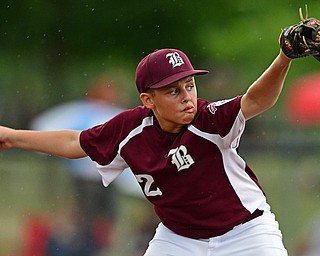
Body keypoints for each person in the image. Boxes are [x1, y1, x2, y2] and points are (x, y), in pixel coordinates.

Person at [0, 37, 294, 255]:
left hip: (245, 232)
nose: (187, 96)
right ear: (148, 100)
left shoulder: (210, 119)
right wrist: (12, 136)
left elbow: (256, 100)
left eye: (190, 85)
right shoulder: (131, 129)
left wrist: (285, 56)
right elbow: (75, 141)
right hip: (179, 239)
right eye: (173, 91)